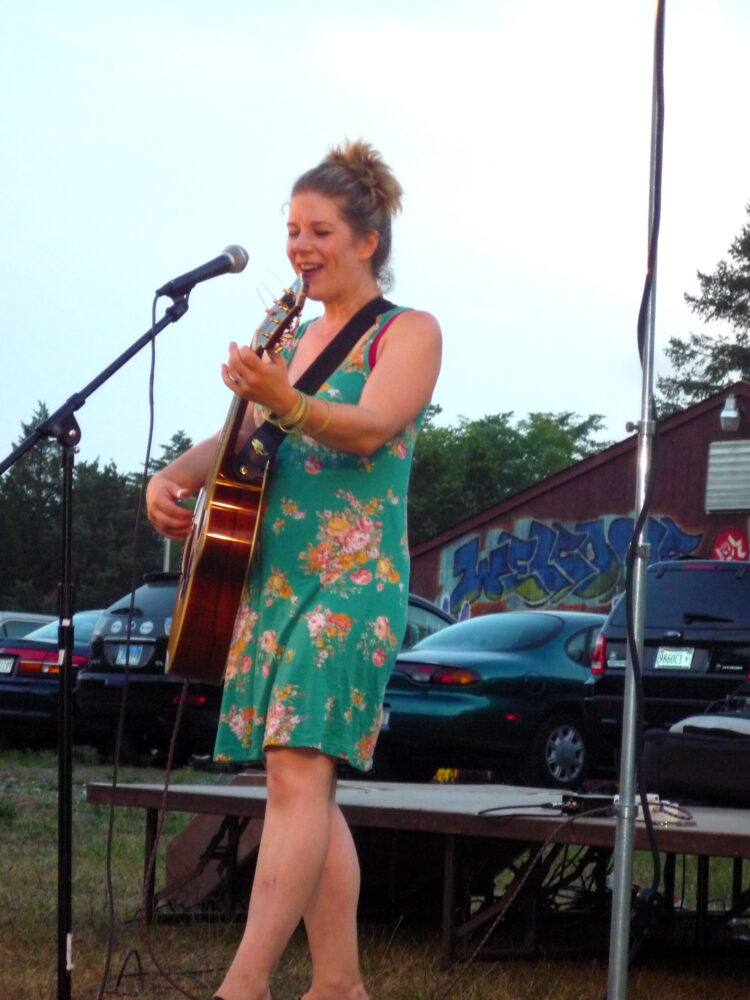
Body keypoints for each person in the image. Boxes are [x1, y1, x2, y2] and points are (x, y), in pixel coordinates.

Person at [146, 139, 442, 1000]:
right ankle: (340, 984)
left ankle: (244, 985)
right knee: (299, 780)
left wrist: (284, 398)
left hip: (352, 580)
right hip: (270, 578)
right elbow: (239, 435)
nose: (300, 247)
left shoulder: (408, 331)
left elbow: (371, 426)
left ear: (367, 241)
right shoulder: (295, 334)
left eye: (318, 231)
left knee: (297, 771)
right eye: (291, 231)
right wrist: (173, 476)